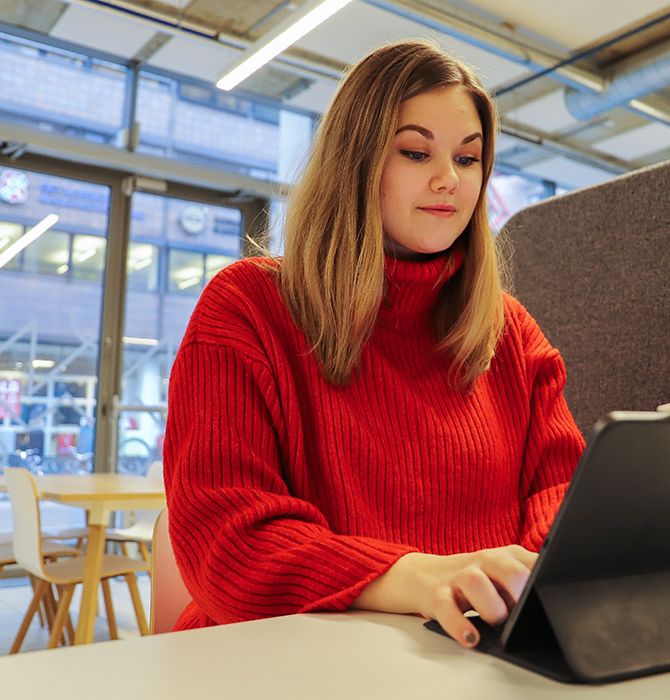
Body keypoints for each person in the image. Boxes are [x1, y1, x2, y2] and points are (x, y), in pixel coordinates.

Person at [163, 40, 585, 648]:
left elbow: (563, 492)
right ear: (354, 163)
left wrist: (525, 576)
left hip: (468, 657)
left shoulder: (509, 331)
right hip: (287, 661)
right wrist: (413, 575)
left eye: (468, 160)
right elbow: (228, 541)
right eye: (416, 152)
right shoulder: (247, 307)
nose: (449, 180)